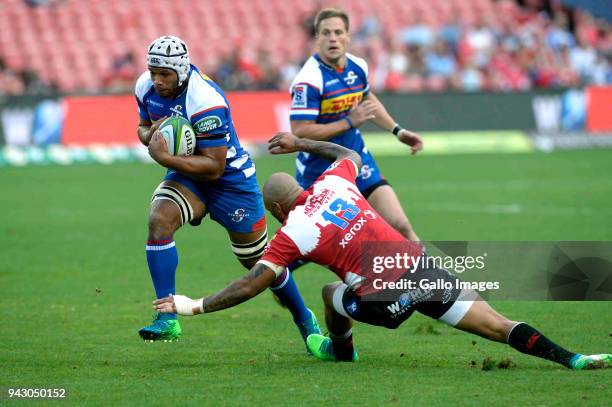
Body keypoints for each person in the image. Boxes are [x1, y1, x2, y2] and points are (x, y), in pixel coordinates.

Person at [153, 133, 611, 370]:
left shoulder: (293, 232)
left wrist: (194, 306)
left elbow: (253, 282)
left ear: (275, 208)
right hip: (420, 271)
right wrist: (301, 144)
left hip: (384, 303)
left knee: (332, 292)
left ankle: (342, 351)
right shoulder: (335, 181)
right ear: (302, 186)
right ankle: (572, 357)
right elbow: (343, 151)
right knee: (496, 323)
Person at [135, 35, 320, 346]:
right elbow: (142, 128)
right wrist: (151, 134)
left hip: (231, 181)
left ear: (181, 70)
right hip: (187, 176)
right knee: (159, 220)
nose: (158, 80)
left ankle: (303, 316)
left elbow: (215, 166)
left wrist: (164, 156)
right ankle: (167, 317)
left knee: (260, 263)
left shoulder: (206, 101)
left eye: (165, 74)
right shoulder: (145, 87)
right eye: (154, 72)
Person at [289, 8, 423, 244]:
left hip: (357, 160)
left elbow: (367, 99)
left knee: (400, 225)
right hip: (320, 171)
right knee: (318, 245)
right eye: (326, 33)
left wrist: (397, 131)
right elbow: (300, 132)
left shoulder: (358, 66)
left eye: (338, 32)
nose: (333, 38)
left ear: (348, 37)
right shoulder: (308, 80)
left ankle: (432, 278)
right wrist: (350, 121)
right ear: (317, 38)